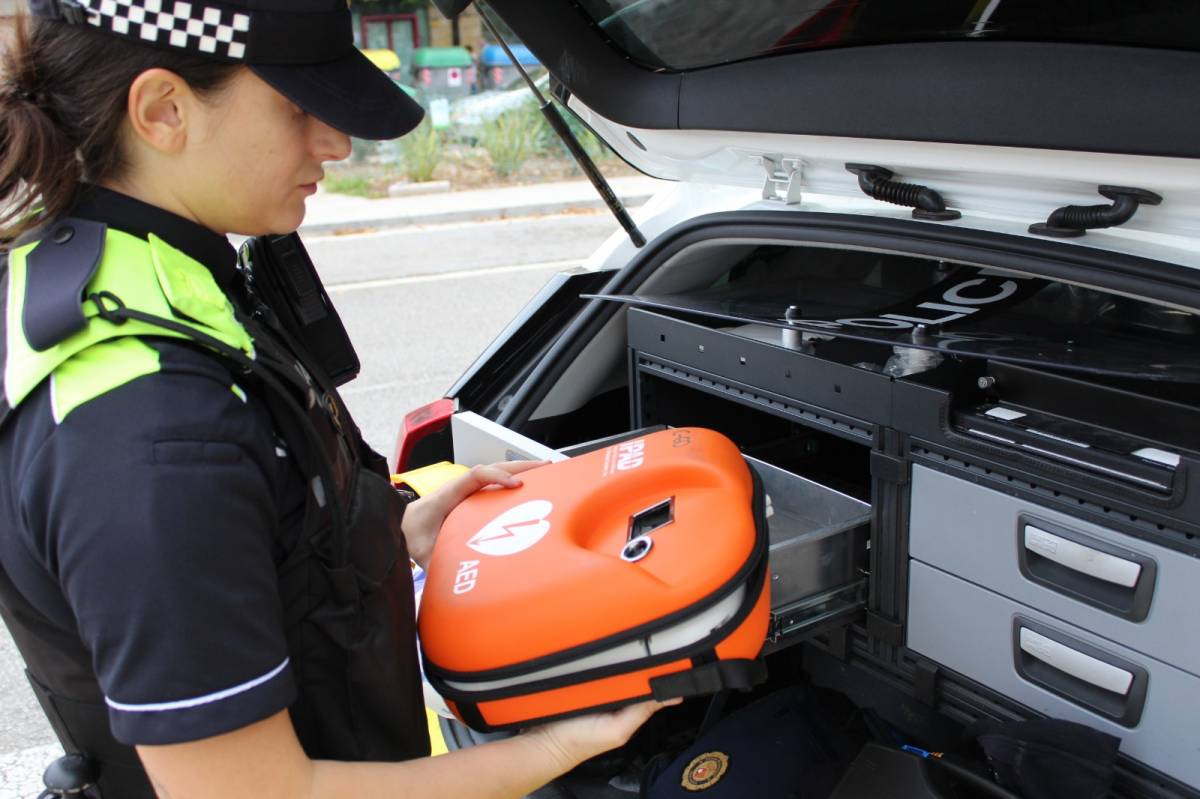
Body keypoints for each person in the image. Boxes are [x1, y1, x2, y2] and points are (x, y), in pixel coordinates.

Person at [0, 2, 667, 798]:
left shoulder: (134, 272)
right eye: (296, 107)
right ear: (163, 112)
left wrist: (387, 530)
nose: (335, 142)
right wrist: (561, 748)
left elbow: (249, 530)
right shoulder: (151, 436)